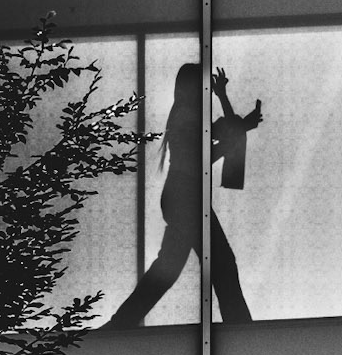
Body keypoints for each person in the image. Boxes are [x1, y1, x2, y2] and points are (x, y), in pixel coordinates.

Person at [107, 63, 262, 328]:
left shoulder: (187, 115)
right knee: (222, 263)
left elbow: (228, 130)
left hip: (181, 195)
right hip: (186, 196)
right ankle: (241, 328)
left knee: (167, 269)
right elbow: (212, 149)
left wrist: (223, 98)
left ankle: (120, 324)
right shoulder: (187, 117)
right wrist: (234, 125)